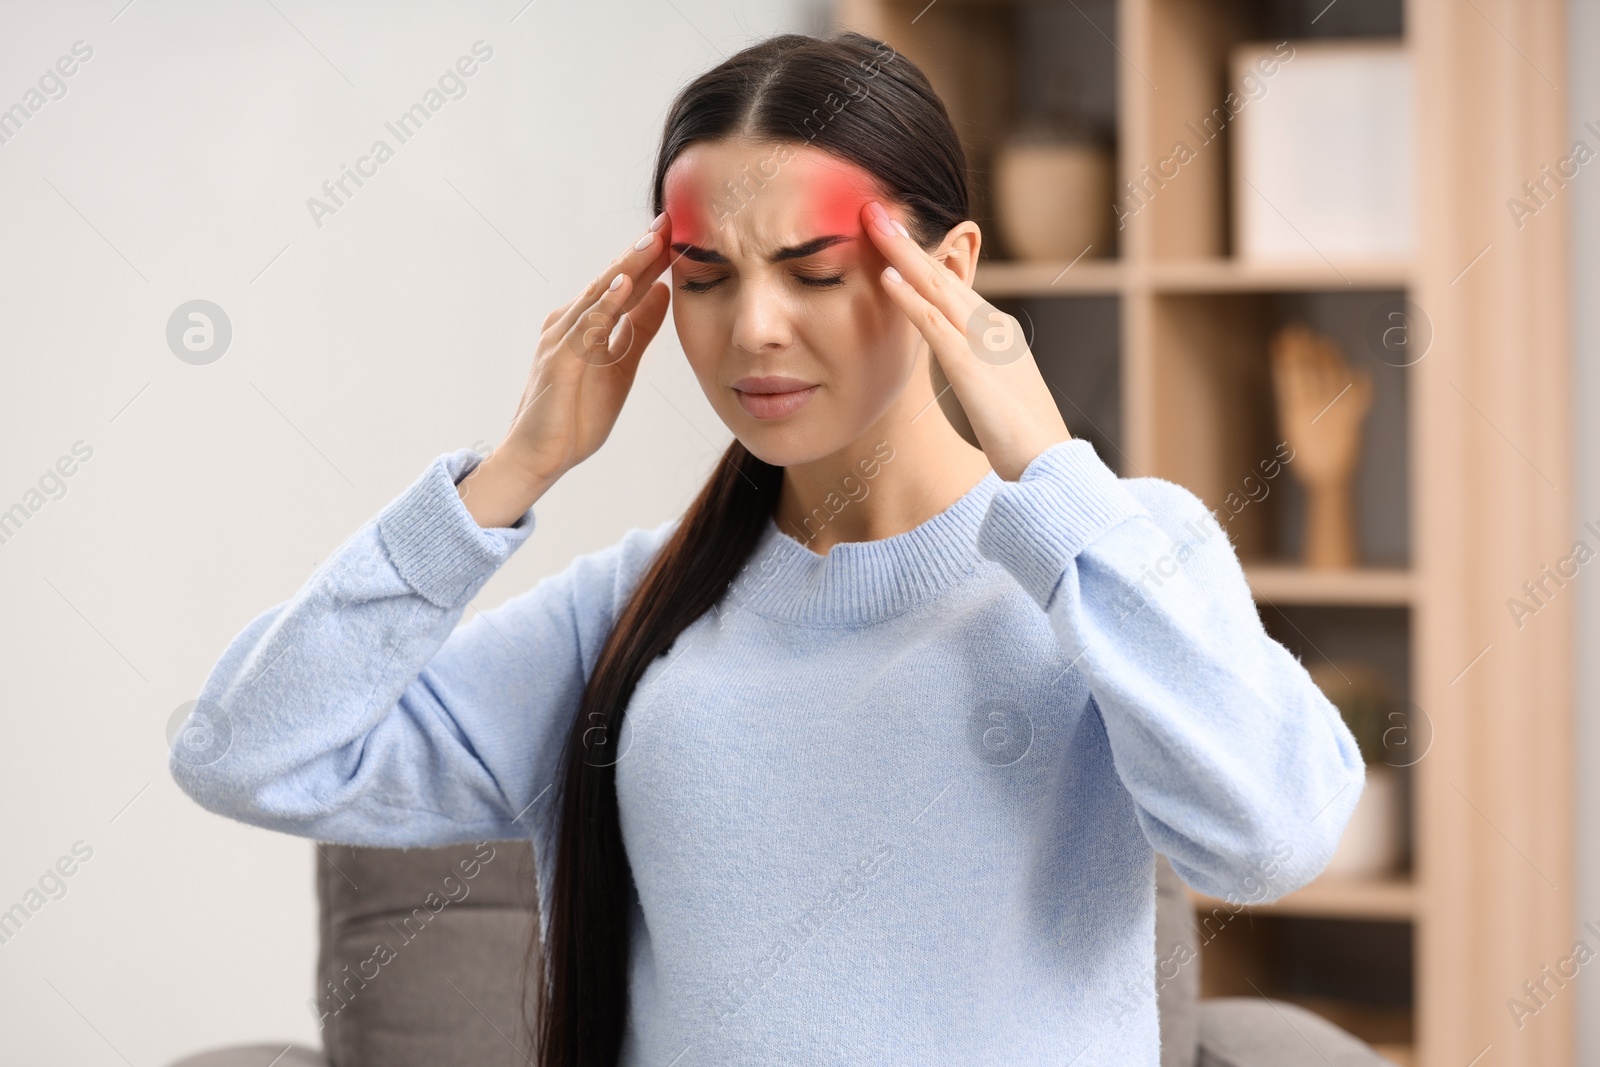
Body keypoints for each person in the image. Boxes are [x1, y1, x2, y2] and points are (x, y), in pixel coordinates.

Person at [170, 29, 1366, 1067]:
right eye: (704, 277)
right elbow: (247, 751)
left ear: (946, 275)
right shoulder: (627, 613)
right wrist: (507, 477)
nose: (752, 329)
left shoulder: (1103, 563)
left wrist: (1048, 470)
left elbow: (1270, 835)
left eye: (814, 271)